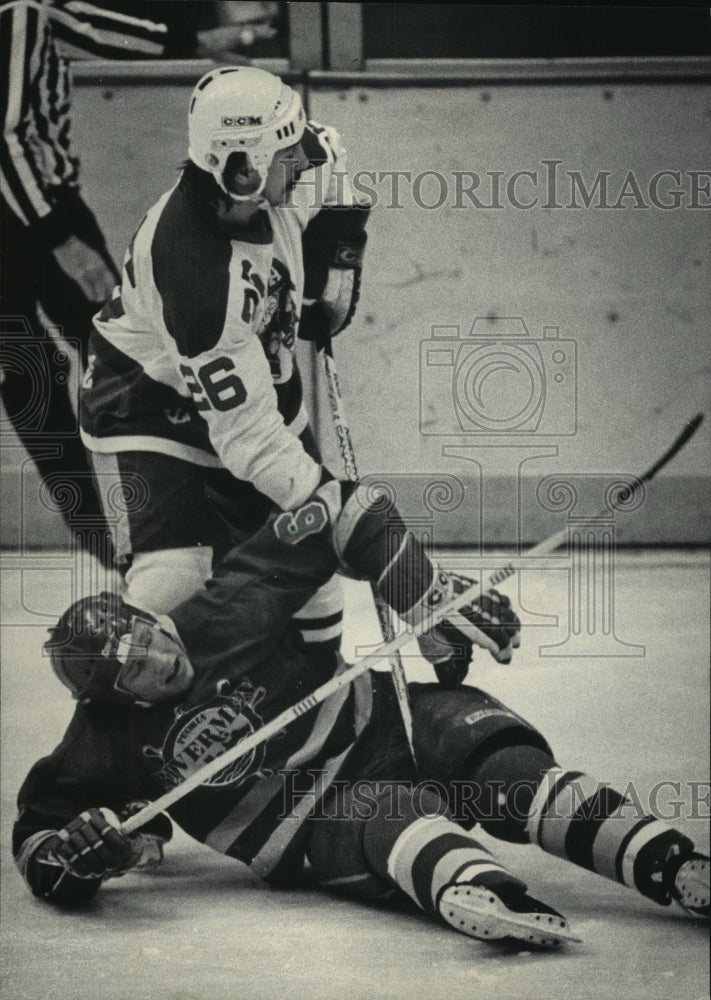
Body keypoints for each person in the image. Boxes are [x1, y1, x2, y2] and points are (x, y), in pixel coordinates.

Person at [13, 480, 709, 947]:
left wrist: (424, 596)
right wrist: (76, 861)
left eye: (151, 636)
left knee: (509, 769)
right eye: (138, 669)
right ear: (119, 698)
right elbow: (38, 840)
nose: (162, 658)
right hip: (307, 819)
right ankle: (479, 888)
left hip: (387, 719)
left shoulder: (224, 607)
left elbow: (344, 505)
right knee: (389, 814)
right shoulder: (99, 743)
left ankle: (674, 866)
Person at [79, 63, 369, 655]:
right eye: (288, 157)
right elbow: (252, 442)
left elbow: (332, 152)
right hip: (152, 401)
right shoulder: (194, 276)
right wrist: (347, 519)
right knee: (175, 579)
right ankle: (127, 709)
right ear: (243, 171)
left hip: (248, 367)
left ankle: (314, 699)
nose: (304, 162)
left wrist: (336, 260)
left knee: (310, 566)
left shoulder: (275, 174)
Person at [0, 1, 258, 562]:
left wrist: (191, 37)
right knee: (123, 353)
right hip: (34, 216)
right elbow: (6, 138)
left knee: (41, 372)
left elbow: (90, 27)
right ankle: (161, 530)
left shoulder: (33, 11)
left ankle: (118, 540)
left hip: (33, 210)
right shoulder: (17, 11)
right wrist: (59, 238)